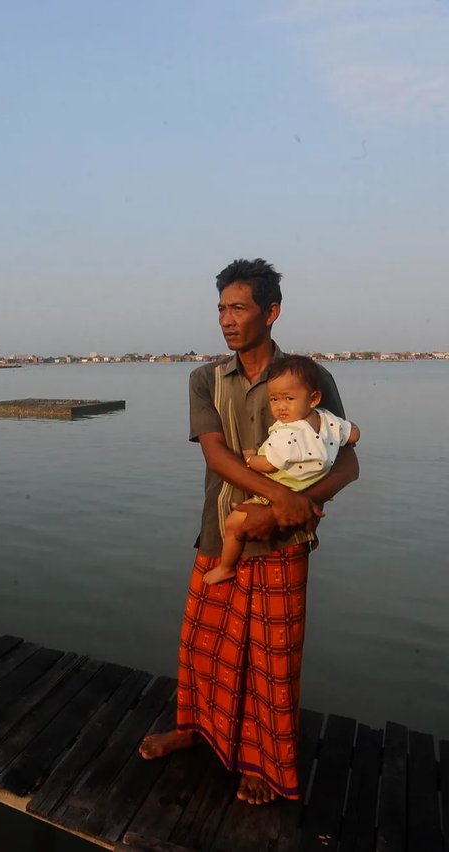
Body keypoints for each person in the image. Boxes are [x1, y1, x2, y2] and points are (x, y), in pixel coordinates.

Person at [139, 258, 359, 805]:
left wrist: (292, 505)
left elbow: (348, 463)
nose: (226, 320)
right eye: (221, 309)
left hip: (284, 543)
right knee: (202, 645)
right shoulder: (206, 379)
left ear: (271, 312)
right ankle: (193, 730)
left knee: (272, 661)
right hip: (222, 534)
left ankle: (261, 762)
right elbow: (216, 454)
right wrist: (280, 496)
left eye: (238, 307)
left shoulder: (309, 378)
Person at [203, 354, 360, 585]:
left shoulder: (287, 433)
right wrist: (351, 431)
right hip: (306, 489)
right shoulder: (329, 421)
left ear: (314, 398)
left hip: (279, 490)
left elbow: (268, 464)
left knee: (233, 523)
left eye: (288, 398)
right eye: (274, 399)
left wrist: (250, 459)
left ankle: (226, 567)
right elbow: (353, 435)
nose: (280, 406)